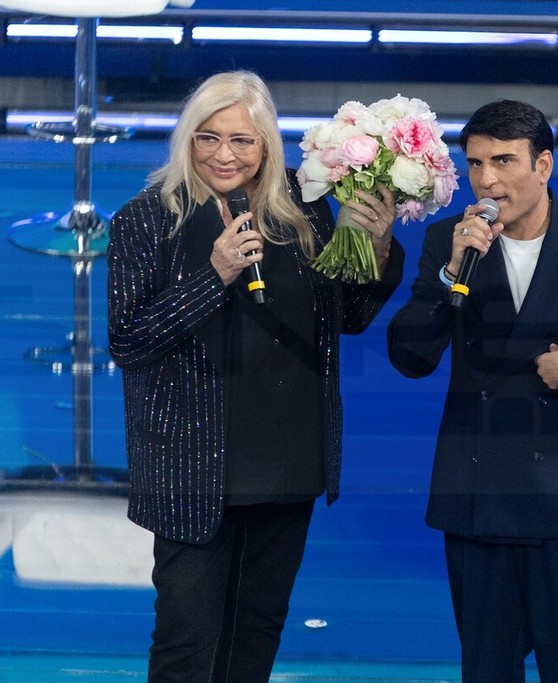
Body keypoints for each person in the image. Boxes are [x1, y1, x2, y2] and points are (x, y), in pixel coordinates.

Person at [107, 70, 404, 683]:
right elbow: (129, 341)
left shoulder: (304, 209)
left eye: (241, 140)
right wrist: (213, 275)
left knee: (257, 633)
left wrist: (376, 250)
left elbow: (346, 318)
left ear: (266, 143)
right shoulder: (146, 220)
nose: (224, 155)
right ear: (187, 139)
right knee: (187, 641)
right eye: (208, 138)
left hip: (286, 459)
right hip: (192, 467)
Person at [386, 99, 558, 682]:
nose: (487, 181)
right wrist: (451, 275)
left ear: (543, 165)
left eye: (503, 161)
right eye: (475, 164)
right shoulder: (448, 244)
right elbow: (410, 357)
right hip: (480, 498)